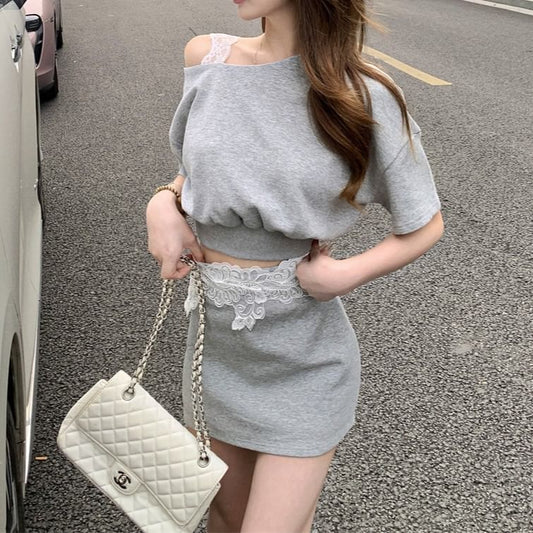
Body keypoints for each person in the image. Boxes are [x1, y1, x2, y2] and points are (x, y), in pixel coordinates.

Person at [146, 0, 444, 531]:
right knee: (225, 521)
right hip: (216, 356)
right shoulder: (206, 57)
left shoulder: (365, 94)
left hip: (306, 363)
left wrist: (345, 275)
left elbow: (425, 223)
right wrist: (162, 204)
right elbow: (197, 171)